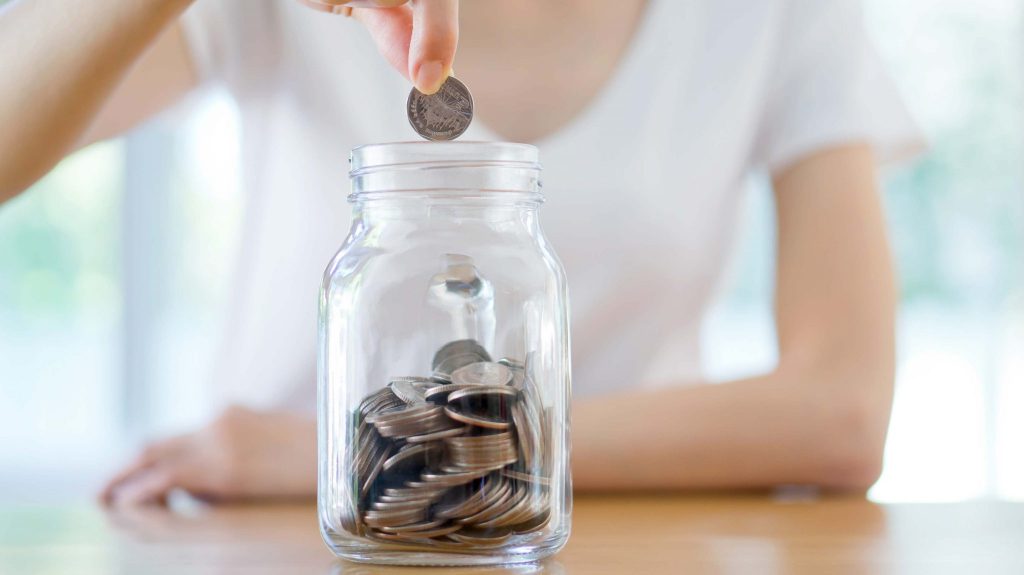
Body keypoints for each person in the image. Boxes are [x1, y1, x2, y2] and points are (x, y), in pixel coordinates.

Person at [0, 0, 921, 505]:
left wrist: (340, 452)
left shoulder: (778, 14)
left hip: (625, 535)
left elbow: (840, 414)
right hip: (284, 533)